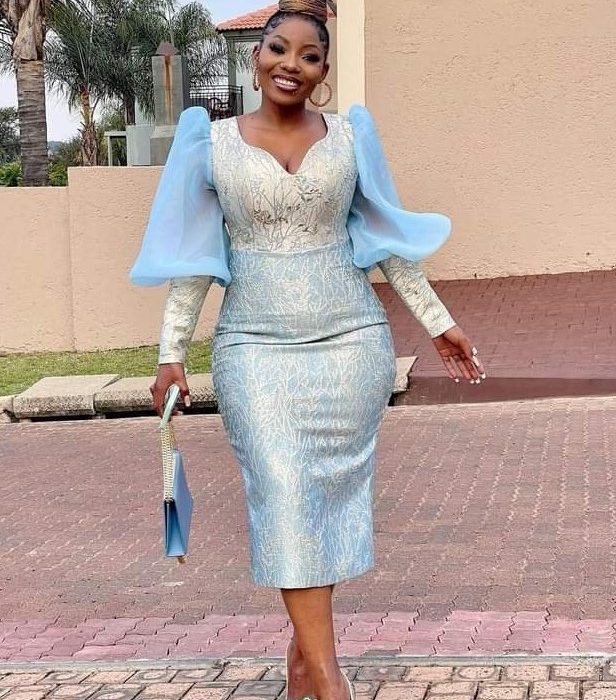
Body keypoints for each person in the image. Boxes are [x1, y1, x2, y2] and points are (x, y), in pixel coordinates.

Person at [130, 1, 486, 698]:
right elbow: (193, 261)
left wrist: (437, 322)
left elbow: (386, 243)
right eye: (278, 49)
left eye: (309, 55)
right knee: (285, 490)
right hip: (254, 346)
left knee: (322, 499)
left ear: (323, 72)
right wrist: (171, 352)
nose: (290, 64)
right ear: (256, 57)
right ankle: (328, 677)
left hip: (350, 341)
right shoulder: (210, 143)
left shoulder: (351, 137)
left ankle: (303, 661)